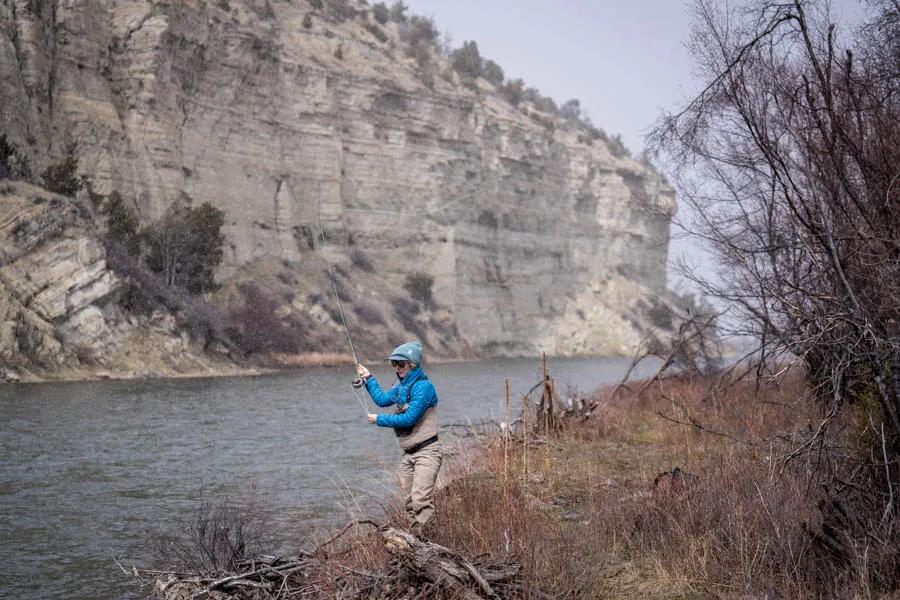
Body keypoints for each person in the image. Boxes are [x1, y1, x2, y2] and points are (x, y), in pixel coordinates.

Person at [356, 341, 442, 532]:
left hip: (428, 452)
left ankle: (430, 541)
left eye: (401, 364)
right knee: (410, 504)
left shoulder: (424, 387)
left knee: (421, 500)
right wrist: (368, 378)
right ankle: (418, 542)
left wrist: (379, 419)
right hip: (408, 455)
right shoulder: (401, 386)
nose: (397, 367)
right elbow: (381, 400)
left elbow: (409, 418)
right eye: (394, 363)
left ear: (413, 364)